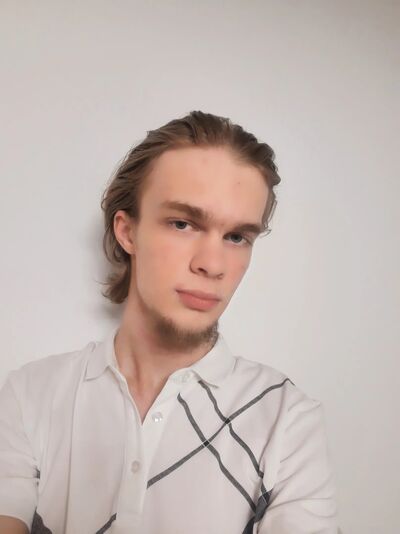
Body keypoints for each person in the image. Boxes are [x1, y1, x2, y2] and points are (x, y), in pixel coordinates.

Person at [0, 111, 339, 533]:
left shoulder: (287, 421)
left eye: (237, 237)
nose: (213, 264)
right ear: (127, 232)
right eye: (182, 224)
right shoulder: (30, 396)